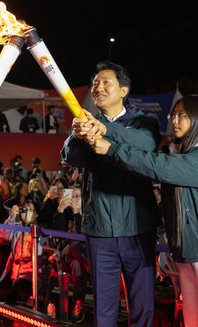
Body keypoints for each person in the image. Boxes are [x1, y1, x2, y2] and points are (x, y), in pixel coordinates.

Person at [89, 94, 198, 326]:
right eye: (174, 114)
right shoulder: (179, 153)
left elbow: (157, 166)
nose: (175, 120)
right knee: (194, 322)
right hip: (186, 255)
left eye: (183, 115)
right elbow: (149, 157)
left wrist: (112, 149)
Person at [61, 61, 161, 327]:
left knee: (141, 307)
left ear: (124, 90)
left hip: (138, 228)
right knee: (104, 310)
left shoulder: (144, 122)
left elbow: (146, 144)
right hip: (100, 230)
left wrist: (105, 130)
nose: (98, 87)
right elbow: (72, 158)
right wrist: (78, 133)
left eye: (107, 82)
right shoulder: (86, 123)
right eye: (95, 83)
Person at [51, 186, 89, 323]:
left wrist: (78, 214)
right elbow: (56, 233)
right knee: (72, 247)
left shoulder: (89, 215)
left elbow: (84, 235)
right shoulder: (64, 212)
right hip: (65, 258)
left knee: (76, 264)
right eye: (71, 196)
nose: (74, 199)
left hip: (80, 259)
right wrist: (60, 210)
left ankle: (79, 301)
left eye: (77, 196)